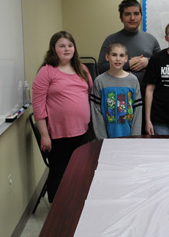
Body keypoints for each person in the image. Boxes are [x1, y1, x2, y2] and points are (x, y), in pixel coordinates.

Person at [32, 31, 92, 203]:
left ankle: (73, 204)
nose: (67, 49)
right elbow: (38, 106)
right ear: (53, 49)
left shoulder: (82, 69)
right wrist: (44, 135)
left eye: (70, 45)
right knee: (59, 172)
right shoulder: (47, 71)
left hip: (81, 132)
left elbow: (87, 94)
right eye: (62, 46)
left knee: (78, 171)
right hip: (58, 134)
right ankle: (57, 211)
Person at [91, 42, 142, 139]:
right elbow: (96, 112)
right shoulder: (99, 81)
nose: (118, 59)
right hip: (107, 138)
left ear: (126, 59)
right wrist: (102, 139)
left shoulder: (133, 80)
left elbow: (138, 111)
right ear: (107, 57)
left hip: (129, 137)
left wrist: (135, 137)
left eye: (121, 55)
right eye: (114, 55)